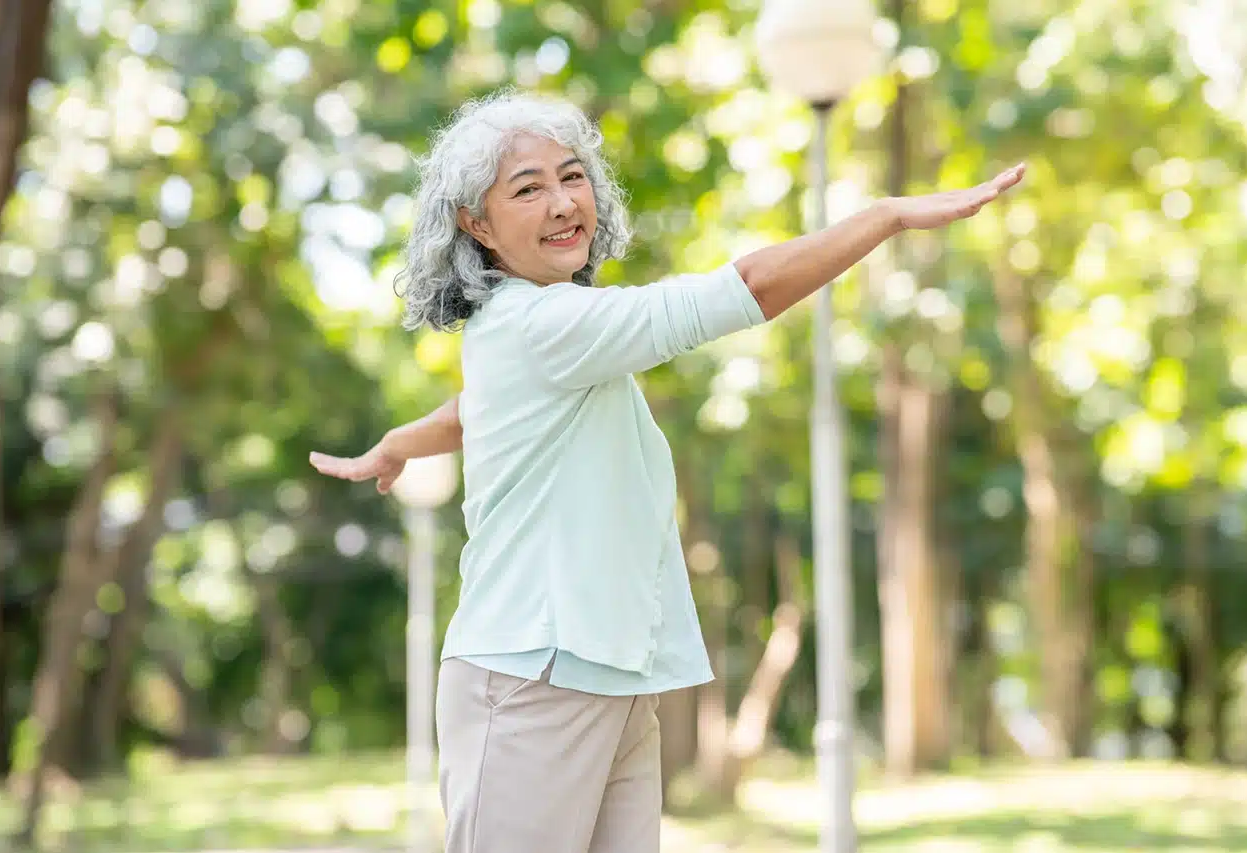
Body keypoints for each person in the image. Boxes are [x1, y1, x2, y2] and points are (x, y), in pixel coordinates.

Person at [310, 89, 1025, 853]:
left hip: (613, 671)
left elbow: (477, 408)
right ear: (476, 225)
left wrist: (401, 442)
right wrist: (883, 216)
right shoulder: (541, 323)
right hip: (530, 675)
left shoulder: (544, 329)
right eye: (528, 188)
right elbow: (740, 291)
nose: (562, 203)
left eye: (572, 176)